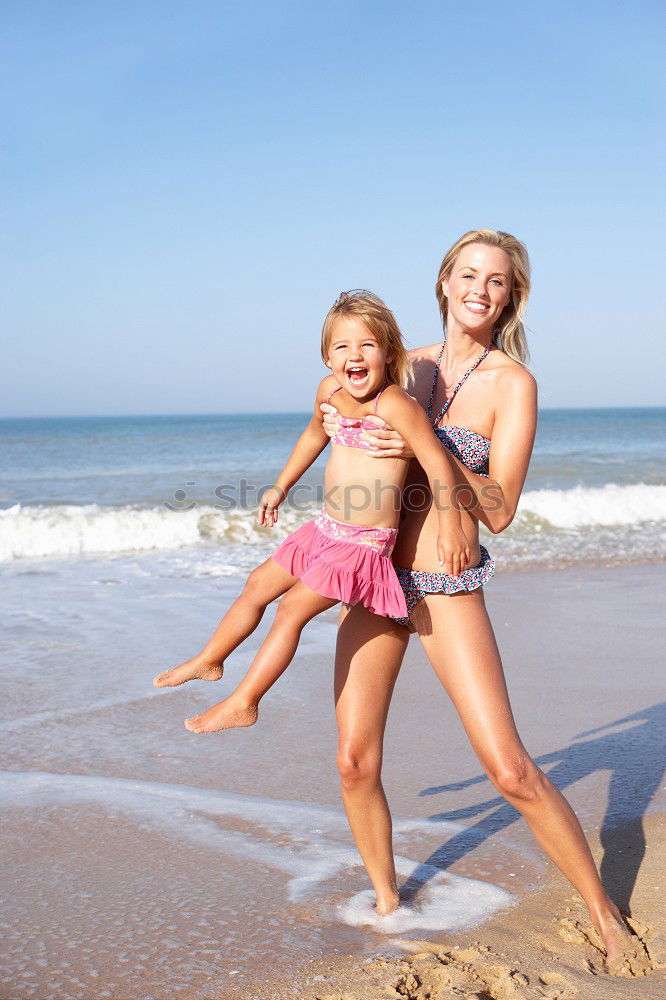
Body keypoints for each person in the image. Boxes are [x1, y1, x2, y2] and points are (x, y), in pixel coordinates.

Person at [325, 231, 635, 966]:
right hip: (370, 577)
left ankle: (603, 911)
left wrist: (434, 461)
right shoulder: (398, 362)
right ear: (443, 280)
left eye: (496, 281)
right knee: (353, 762)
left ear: (510, 296)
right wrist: (337, 424)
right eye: (469, 274)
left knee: (508, 768)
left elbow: (500, 509)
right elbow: (334, 420)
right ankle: (390, 904)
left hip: (444, 580)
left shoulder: (513, 384)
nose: (480, 289)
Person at [153, 289, 471, 734]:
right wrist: (280, 487)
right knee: (258, 584)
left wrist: (452, 527)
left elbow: (438, 464)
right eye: (342, 347)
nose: (354, 356)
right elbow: (311, 437)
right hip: (324, 530)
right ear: (327, 357)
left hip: (362, 546)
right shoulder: (329, 392)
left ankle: (245, 701)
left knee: (292, 608)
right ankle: (211, 659)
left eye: (367, 345)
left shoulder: (396, 405)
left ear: (388, 353)